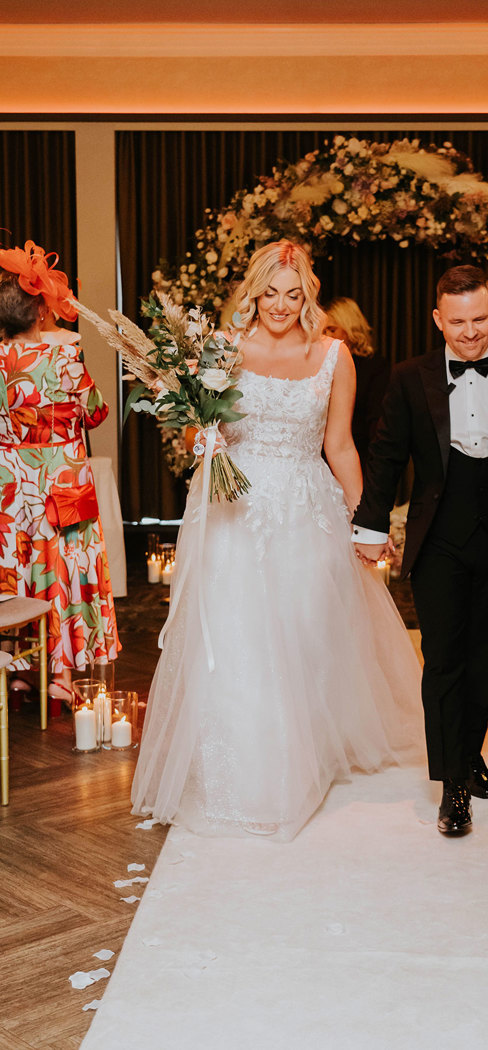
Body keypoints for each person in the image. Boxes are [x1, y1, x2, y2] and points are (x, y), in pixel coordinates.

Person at [132, 240, 421, 841]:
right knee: (240, 640)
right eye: (271, 294)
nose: (282, 306)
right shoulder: (224, 351)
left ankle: (305, 756)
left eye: (293, 295)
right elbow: (196, 435)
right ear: (254, 293)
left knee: (306, 635)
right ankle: (248, 777)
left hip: (306, 510)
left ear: (308, 294)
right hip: (234, 512)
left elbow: (340, 446)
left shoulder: (335, 356)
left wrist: (366, 521)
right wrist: (201, 440)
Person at [353, 264, 488, 836]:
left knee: (486, 655)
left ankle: (468, 747)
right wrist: (370, 526)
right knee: (445, 659)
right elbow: (385, 457)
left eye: (479, 319)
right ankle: (453, 783)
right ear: (437, 319)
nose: (470, 332)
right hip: (439, 538)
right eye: (458, 322)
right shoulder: (409, 378)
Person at [0, 240, 120, 703]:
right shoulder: (64, 357)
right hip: (62, 481)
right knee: (63, 569)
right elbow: (96, 413)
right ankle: (60, 675)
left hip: (11, 485)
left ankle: (19, 669)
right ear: (41, 313)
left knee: (21, 568)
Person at [323, 298, 390, 468]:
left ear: (351, 330)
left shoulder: (374, 366)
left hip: (360, 457)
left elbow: (377, 423)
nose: (326, 337)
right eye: (323, 331)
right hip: (319, 458)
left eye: (332, 330)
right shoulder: (314, 365)